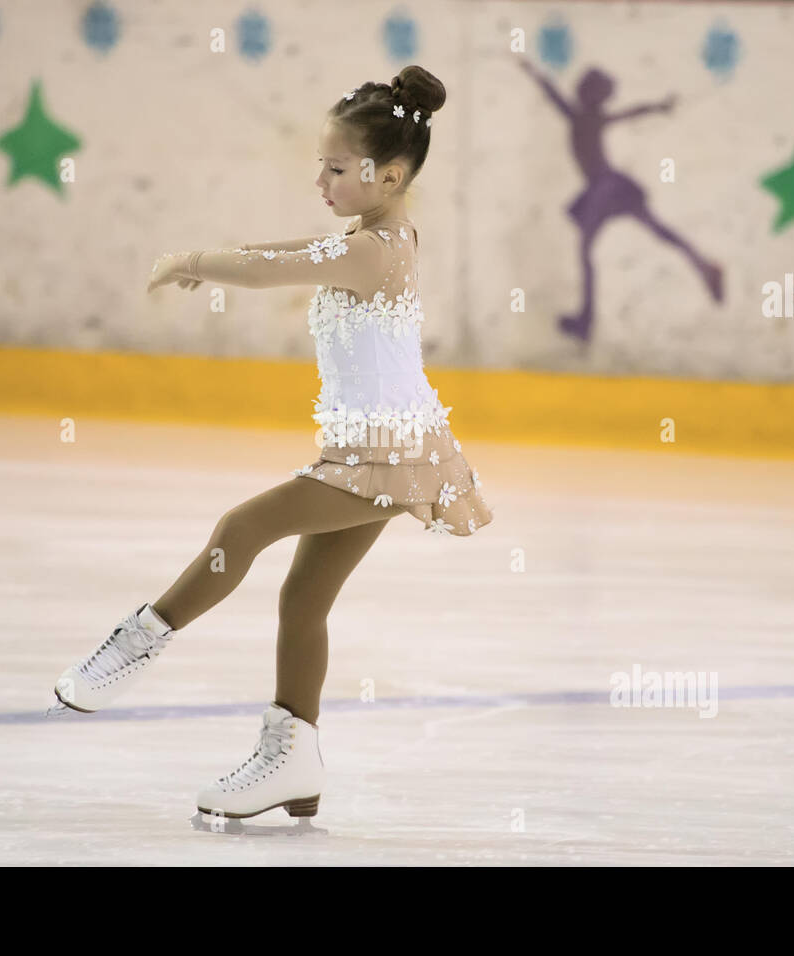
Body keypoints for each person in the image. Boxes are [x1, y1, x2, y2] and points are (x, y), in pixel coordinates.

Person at [48, 65, 493, 824]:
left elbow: (270, 269)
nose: (321, 179)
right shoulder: (372, 235)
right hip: (381, 448)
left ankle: (135, 645)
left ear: (388, 174)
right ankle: (295, 759)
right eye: (319, 164)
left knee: (241, 529)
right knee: (303, 597)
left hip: (384, 454)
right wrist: (215, 257)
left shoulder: (377, 252)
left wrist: (193, 260)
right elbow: (285, 250)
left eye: (336, 167)